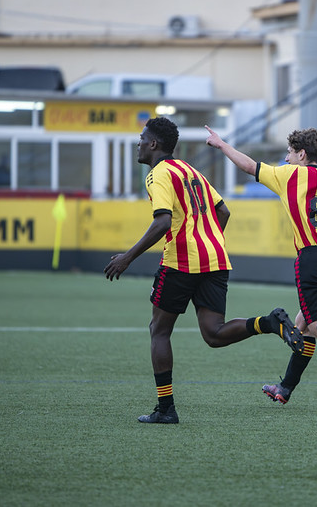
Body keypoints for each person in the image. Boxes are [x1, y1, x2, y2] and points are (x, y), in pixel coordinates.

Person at [104, 117, 304, 425]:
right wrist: (209, 240)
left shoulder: (159, 174)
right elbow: (223, 210)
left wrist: (127, 257)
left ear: (154, 144)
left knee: (159, 330)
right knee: (214, 334)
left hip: (182, 261)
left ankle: (166, 409)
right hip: (215, 259)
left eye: (142, 138)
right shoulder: (190, 171)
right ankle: (269, 322)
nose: (139, 143)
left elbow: (161, 222)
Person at [205, 125, 317, 405]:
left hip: (312, 259)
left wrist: (222, 144)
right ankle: (284, 388)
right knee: (302, 327)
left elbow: (249, 166)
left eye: (289, 153)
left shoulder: (289, 176)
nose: (285, 159)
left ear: (301, 154)